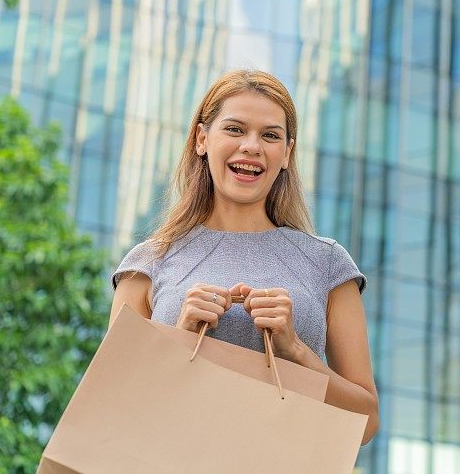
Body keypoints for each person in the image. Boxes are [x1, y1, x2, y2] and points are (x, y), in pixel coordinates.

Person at [109, 70, 379, 444]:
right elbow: (111, 402)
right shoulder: (150, 260)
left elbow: (365, 423)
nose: (252, 146)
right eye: (235, 129)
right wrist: (180, 336)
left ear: (286, 154)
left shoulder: (327, 263)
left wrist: (296, 351)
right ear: (202, 139)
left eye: (270, 135)